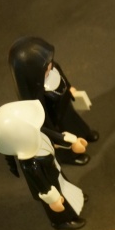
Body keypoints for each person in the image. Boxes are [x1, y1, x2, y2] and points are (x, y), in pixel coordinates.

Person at [0, 100, 87, 230]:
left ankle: (73, 201)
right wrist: (51, 199)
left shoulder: (37, 132)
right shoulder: (29, 162)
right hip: (49, 181)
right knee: (57, 199)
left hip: (55, 170)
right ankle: (62, 220)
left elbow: (55, 137)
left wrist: (72, 142)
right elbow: (40, 181)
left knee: (65, 186)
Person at [8, 36, 98, 166]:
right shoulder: (36, 95)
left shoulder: (53, 67)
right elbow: (43, 119)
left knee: (76, 122)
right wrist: (55, 136)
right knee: (68, 133)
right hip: (56, 120)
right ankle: (70, 156)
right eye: (45, 67)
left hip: (66, 107)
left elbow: (62, 78)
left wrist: (70, 88)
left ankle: (84, 134)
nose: (50, 66)